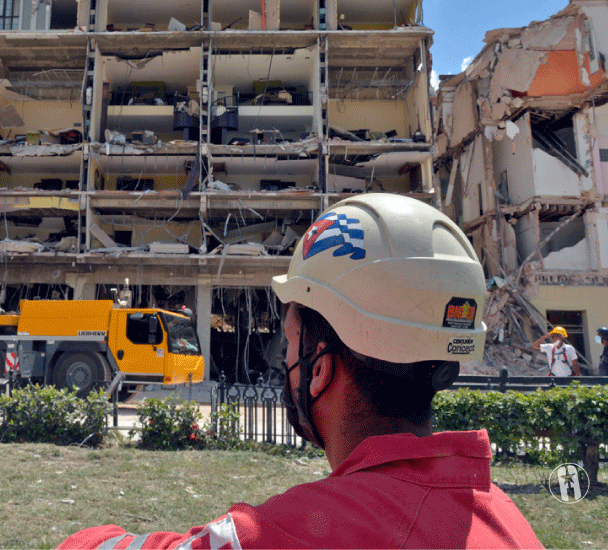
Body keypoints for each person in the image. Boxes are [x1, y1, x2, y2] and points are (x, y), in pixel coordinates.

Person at [58, 194, 542, 549]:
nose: (283, 361)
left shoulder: (285, 536)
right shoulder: (511, 524)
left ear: (321, 367)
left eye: (290, 341)